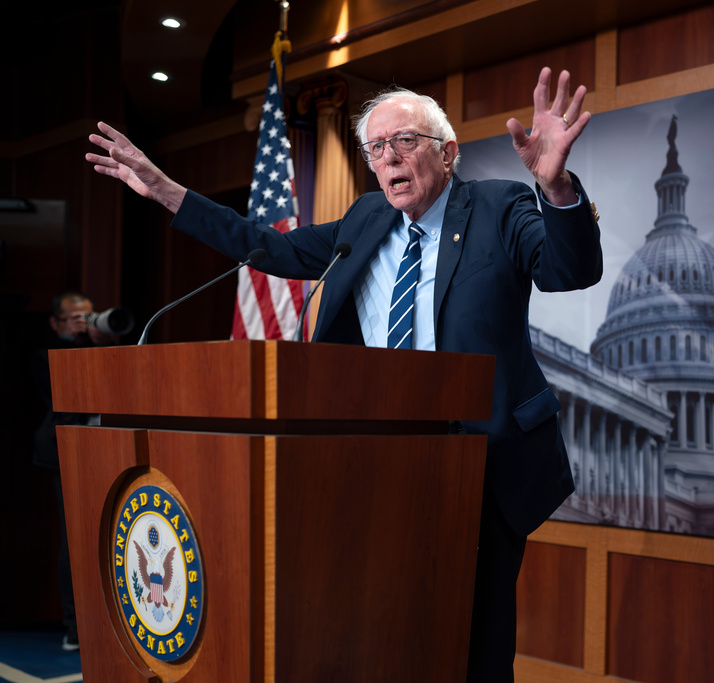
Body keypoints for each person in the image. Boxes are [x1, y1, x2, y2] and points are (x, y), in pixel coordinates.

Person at [86, 67, 602, 681]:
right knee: (382, 631)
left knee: (474, 641)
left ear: (448, 152)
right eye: (377, 147)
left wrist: (557, 188)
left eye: (405, 141)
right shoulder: (364, 221)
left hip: (482, 465)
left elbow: (568, 271)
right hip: (375, 464)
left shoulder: (500, 205)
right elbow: (268, 247)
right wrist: (170, 193)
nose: (389, 158)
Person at [32, 291, 119, 651]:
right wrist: (80, 344)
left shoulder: (104, 348)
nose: (83, 323)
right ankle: (76, 628)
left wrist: (105, 341)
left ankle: (110, 624)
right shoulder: (44, 354)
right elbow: (63, 396)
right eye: (74, 318)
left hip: (109, 450)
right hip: (65, 454)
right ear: (56, 323)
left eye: (88, 315)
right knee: (75, 541)